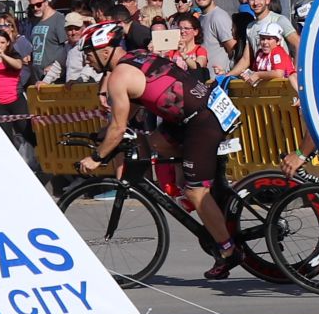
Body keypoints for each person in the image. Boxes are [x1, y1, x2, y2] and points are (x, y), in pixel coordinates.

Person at [73, 20, 241, 276]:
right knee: (156, 142)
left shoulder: (118, 77)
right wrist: (103, 134)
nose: (87, 61)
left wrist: (97, 157)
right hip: (199, 109)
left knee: (196, 191)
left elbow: (119, 128)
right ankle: (205, 183)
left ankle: (228, 251)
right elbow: (137, 103)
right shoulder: (137, 57)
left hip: (201, 120)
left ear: (105, 51)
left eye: (88, 54)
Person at [234, 0, 297, 75]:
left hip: (281, 80)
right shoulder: (250, 27)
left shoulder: (279, 20)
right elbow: (246, 59)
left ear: (267, 0)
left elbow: (298, 44)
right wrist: (226, 77)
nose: (256, 3)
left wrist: (295, 73)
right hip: (263, 80)